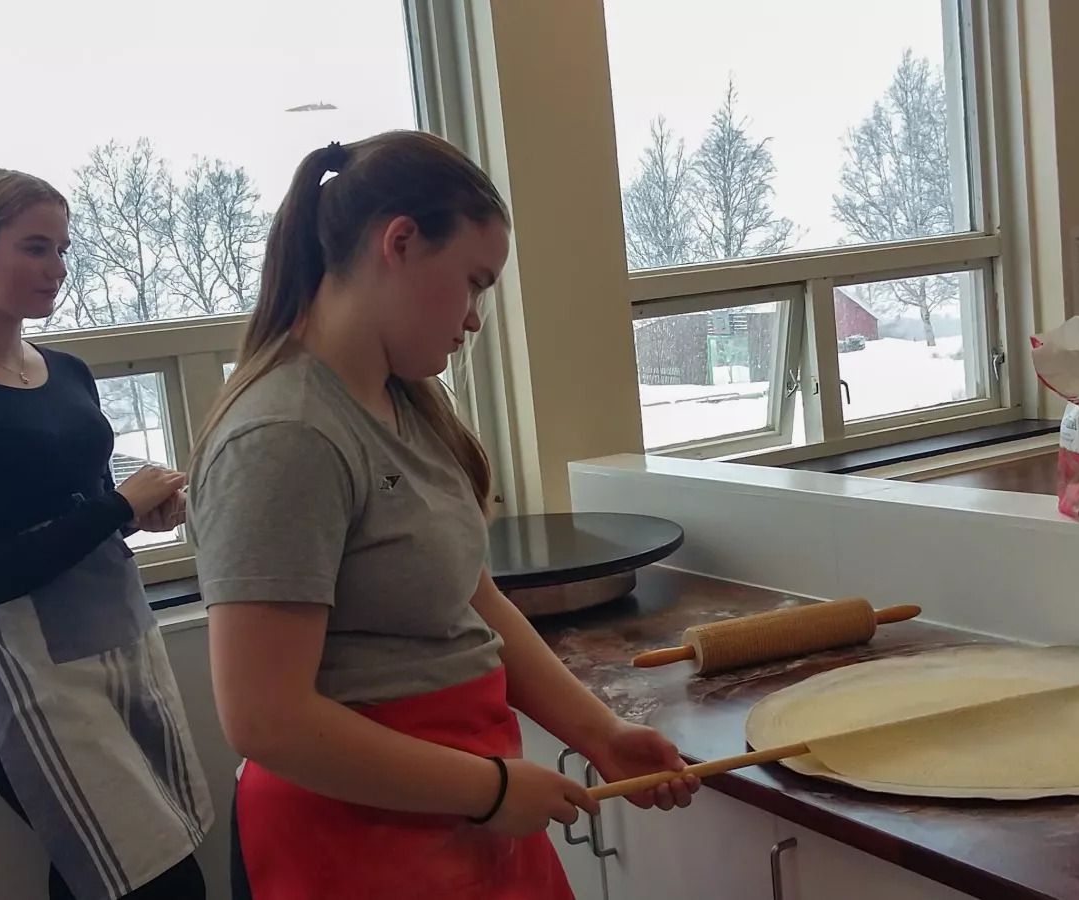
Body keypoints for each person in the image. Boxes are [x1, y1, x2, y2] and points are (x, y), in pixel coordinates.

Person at [190, 131, 700, 900]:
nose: (476, 318)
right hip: (354, 838)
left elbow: (475, 600)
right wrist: (489, 789)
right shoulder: (285, 436)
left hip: (461, 809)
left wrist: (603, 734)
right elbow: (266, 719)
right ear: (398, 242)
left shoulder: (407, 406)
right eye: (473, 282)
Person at [0, 166, 213, 900]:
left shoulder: (66, 372)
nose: (57, 268)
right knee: (150, 882)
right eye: (35, 248)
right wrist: (116, 508)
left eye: (63, 249)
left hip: (118, 645)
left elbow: (81, 511)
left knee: (131, 871)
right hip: (28, 684)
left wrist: (136, 514)